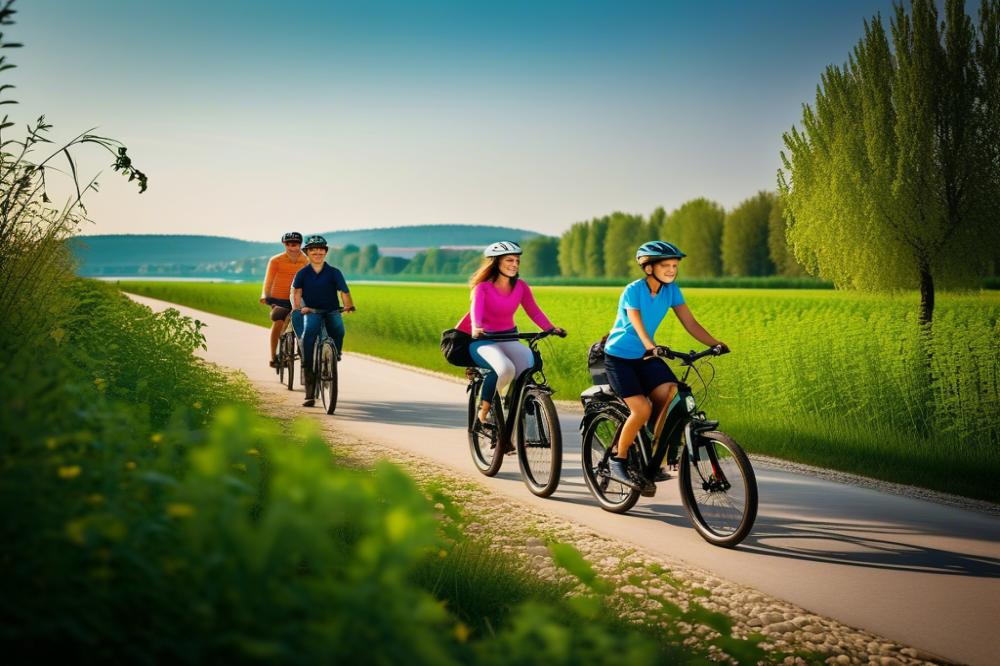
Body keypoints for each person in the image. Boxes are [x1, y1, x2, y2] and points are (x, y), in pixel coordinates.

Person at [603, 241, 728, 489]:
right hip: (619, 358)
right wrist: (651, 345)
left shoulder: (671, 291)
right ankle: (618, 459)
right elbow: (636, 323)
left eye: (674, 265)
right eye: (666, 265)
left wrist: (716, 343)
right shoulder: (633, 290)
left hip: (646, 357)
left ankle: (650, 453)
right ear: (648, 268)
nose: (672, 270)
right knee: (640, 410)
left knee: (672, 395)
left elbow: (690, 323)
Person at [455, 241, 565, 425]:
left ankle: (513, 409)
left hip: (509, 337)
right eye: (509, 260)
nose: (514, 264)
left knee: (527, 367)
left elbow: (534, 311)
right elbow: (476, 310)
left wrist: (550, 328)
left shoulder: (521, 286)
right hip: (484, 340)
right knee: (505, 369)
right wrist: (477, 327)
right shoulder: (483, 288)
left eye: (517, 261)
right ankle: (485, 411)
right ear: (496, 262)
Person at [291, 235, 355, 407]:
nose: (317, 252)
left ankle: (336, 354)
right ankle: (310, 394)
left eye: (320, 249)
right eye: (313, 250)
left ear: (325, 252)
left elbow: (344, 291)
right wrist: (298, 308)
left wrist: (348, 305)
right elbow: (297, 292)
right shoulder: (302, 273)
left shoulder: (334, 272)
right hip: (311, 311)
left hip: (332, 310)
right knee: (308, 342)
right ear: (308, 253)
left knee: (339, 330)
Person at [260, 231, 308, 367]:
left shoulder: (306, 261)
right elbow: (268, 280)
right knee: (279, 320)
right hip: (278, 299)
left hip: (298, 298)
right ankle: (274, 357)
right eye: (289, 244)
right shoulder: (276, 260)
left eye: (295, 244)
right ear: (284, 244)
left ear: (300, 245)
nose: (292, 247)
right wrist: (265, 295)